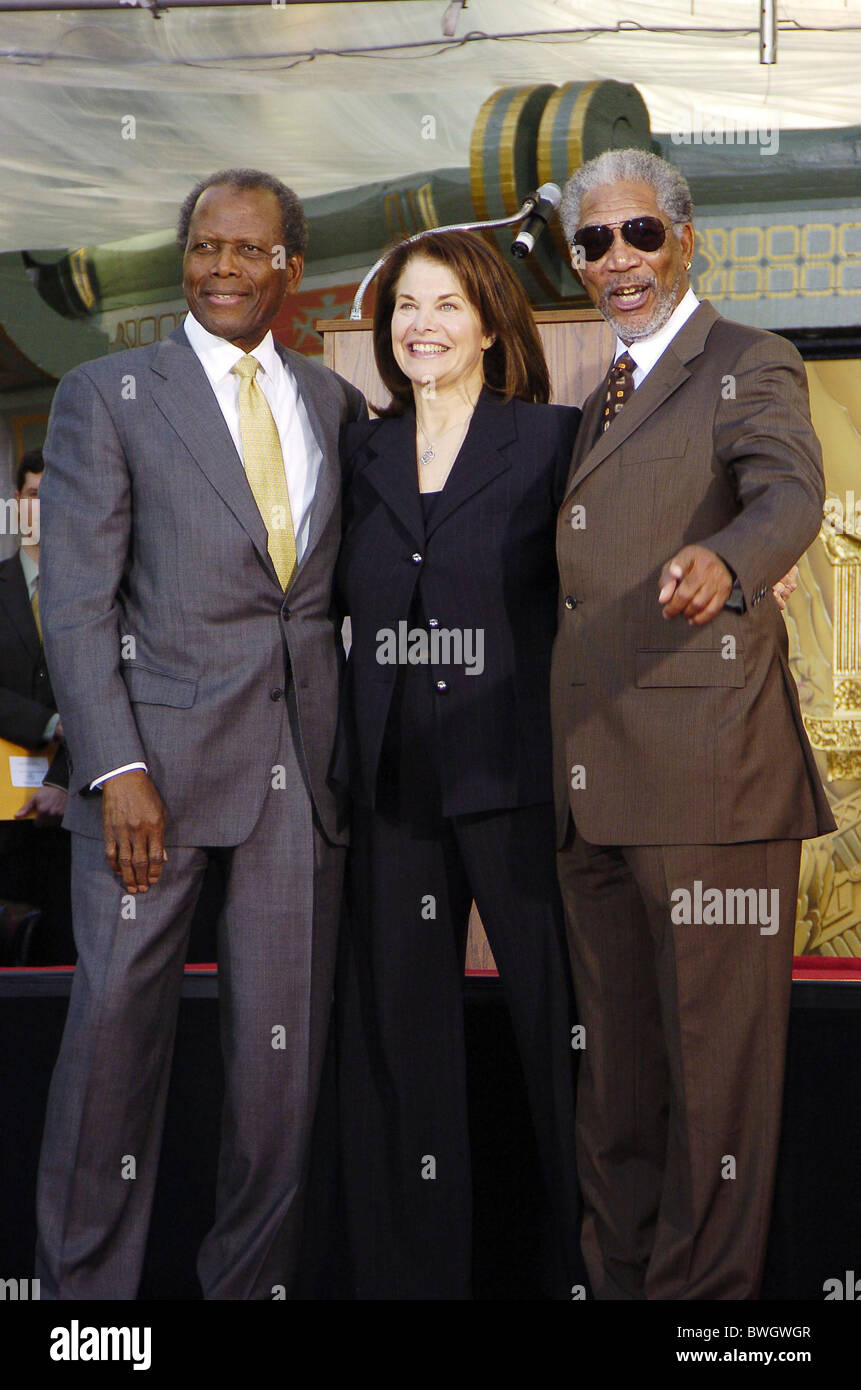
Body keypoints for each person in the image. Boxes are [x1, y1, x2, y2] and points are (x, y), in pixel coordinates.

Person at [35, 169, 366, 1299]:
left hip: (298, 780)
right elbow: (76, 600)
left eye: (247, 250)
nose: (222, 268)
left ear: (289, 264)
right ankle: (82, 1311)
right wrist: (116, 766)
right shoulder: (106, 392)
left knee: (278, 1080)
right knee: (113, 1053)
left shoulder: (331, 403)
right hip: (151, 781)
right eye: (204, 247)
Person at [552, 148, 836, 1300]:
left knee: (716, 1092)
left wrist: (727, 561)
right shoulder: (600, 387)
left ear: (686, 236)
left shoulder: (748, 360)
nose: (618, 260)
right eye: (593, 242)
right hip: (594, 791)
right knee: (616, 1093)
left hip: (708, 782)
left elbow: (791, 493)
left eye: (638, 235)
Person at [334, 229, 583, 1299]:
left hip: (517, 774)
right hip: (392, 787)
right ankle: (411, 1276)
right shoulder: (360, 452)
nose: (420, 326)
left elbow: (619, 555)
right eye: (402, 309)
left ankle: (583, 1268)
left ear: (490, 320)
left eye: (443, 305)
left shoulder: (552, 439)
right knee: (401, 1047)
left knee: (559, 1032)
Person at [0, 449, 72, 962]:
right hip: (3, 814)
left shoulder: (101, 590)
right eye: (32, 495)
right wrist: (50, 723)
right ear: (16, 503)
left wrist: (67, 775)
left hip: (79, 804)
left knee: (67, 954)